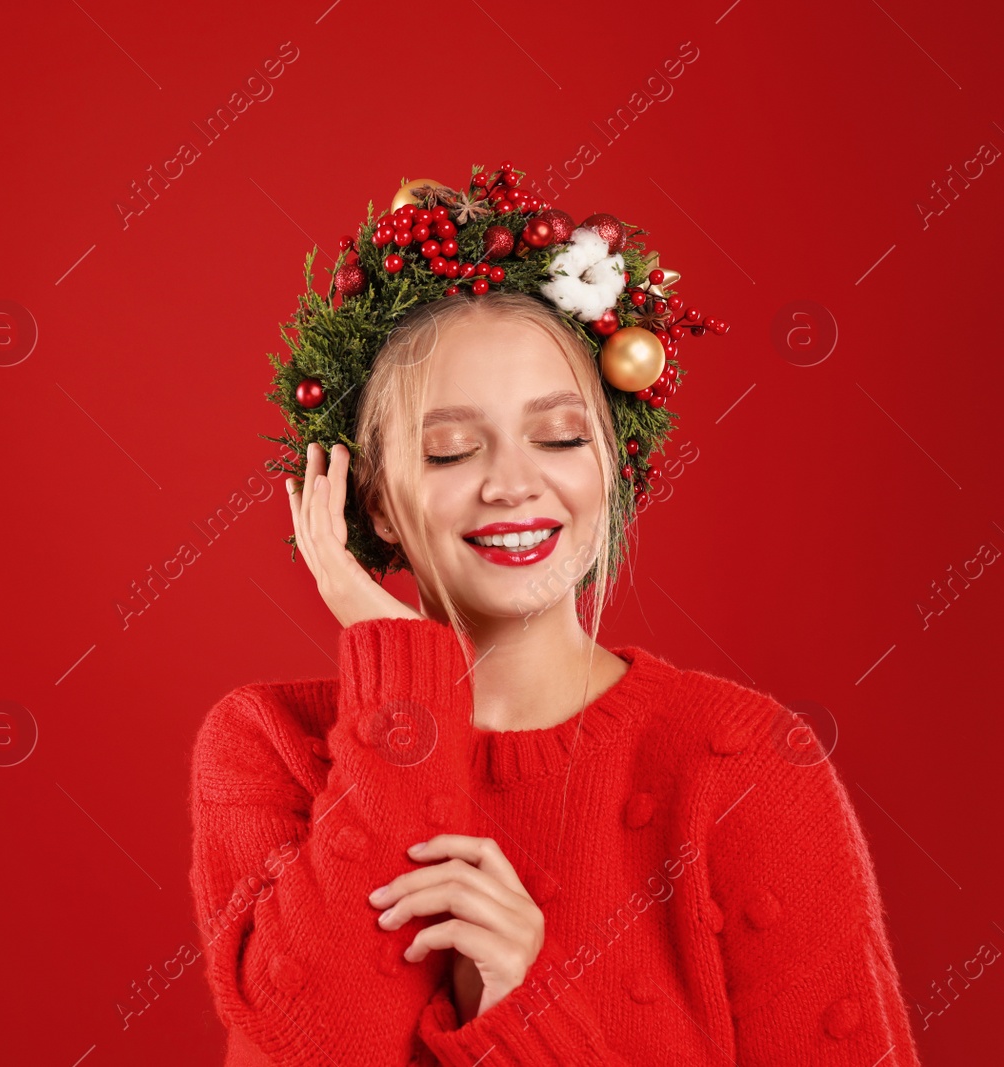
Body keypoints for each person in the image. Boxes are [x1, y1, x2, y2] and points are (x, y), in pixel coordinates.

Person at [187, 169, 923, 1065]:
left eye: (562, 437)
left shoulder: (746, 767)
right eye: (450, 448)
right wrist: (398, 674)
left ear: (612, 465)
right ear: (372, 499)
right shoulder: (266, 747)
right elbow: (315, 1047)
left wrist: (526, 1010)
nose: (513, 484)